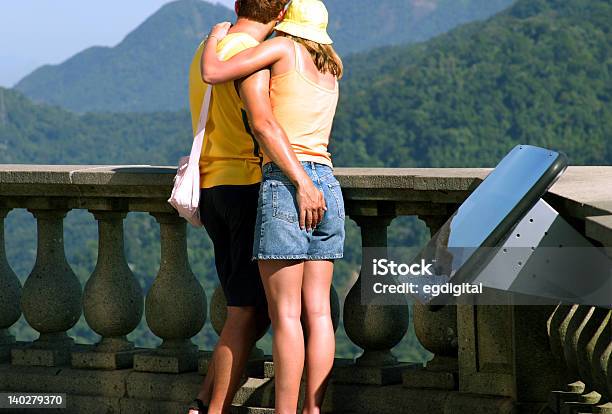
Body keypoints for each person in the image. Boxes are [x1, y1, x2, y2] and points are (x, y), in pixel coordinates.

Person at [202, 1, 345, 412]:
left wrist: (216, 36)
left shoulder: (283, 50)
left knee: (285, 314)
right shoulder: (331, 68)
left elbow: (214, 72)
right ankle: (314, 408)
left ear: (285, 20)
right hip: (328, 183)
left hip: (290, 182)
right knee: (318, 313)